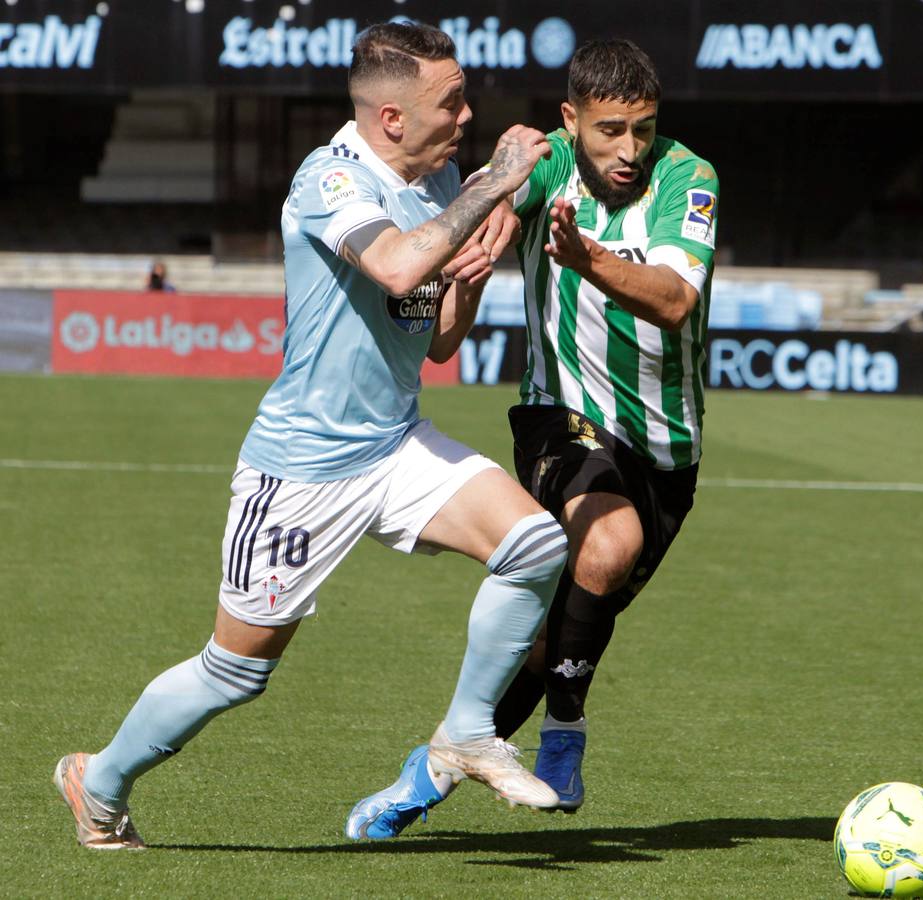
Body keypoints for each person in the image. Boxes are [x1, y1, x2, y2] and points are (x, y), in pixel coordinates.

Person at [53, 21, 569, 850]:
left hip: (394, 444)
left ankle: (467, 734)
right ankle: (99, 780)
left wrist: (470, 276)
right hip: (302, 469)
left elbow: (434, 337)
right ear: (392, 117)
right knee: (235, 673)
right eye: (451, 101)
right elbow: (396, 265)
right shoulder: (332, 179)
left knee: (536, 547)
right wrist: (497, 183)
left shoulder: (437, 182)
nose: (468, 115)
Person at [350, 39, 718, 836]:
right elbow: (507, 188)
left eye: (644, 129)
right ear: (571, 119)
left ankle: (430, 772)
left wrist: (585, 258)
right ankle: (566, 732)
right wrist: (497, 206)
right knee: (608, 544)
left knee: (549, 642)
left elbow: (675, 301)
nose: (629, 149)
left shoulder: (689, 179)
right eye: (610, 130)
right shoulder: (550, 164)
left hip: (667, 450)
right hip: (561, 417)